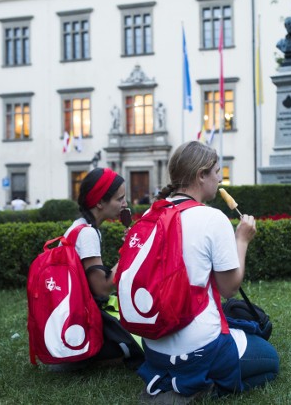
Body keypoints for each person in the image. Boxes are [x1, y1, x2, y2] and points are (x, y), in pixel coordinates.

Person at [138, 141, 279, 402]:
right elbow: (228, 289)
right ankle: (202, 386)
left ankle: (173, 378)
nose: (219, 177)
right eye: (216, 171)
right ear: (201, 175)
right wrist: (242, 240)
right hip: (198, 348)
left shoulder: (151, 213)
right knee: (269, 360)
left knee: (238, 325)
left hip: (154, 345)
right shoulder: (213, 219)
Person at [54, 167, 143, 371]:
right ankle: (86, 356)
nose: (125, 204)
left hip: (68, 316)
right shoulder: (87, 234)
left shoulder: (82, 226)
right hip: (76, 320)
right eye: (119, 199)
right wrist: (130, 251)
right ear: (100, 202)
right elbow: (102, 289)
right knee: (139, 339)